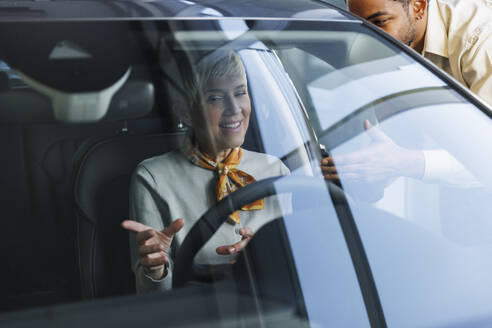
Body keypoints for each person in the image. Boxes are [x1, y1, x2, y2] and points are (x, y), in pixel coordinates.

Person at [121, 50, 289, 293]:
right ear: (184, 113)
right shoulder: (153, 177)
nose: (234, 109)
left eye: (240, 93)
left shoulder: (275, 169)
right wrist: (156, 269)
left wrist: (264, 255)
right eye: (215, 98)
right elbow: (155, 301)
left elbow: (300, 262)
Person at [346, 0, 492, 107]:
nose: (369, 37)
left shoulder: (479, 39)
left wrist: (420, 151)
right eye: (359, 25)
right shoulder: (364, 50)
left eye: (380, 21)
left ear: (418, 7)